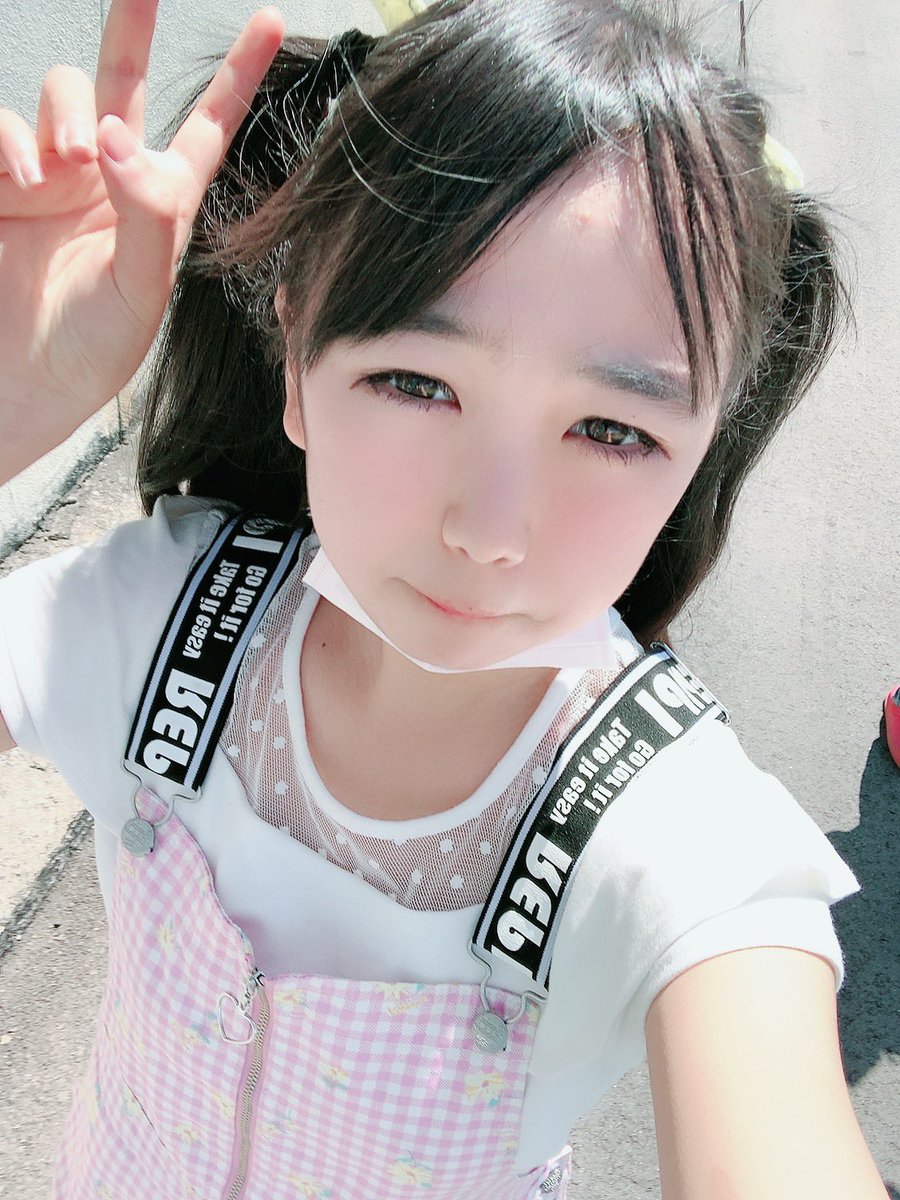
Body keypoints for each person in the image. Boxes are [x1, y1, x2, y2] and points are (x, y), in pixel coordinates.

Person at [0, 0, 890, 1196]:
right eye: (417, 382)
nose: (489, 531)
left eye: (612, 430)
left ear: (704, 447)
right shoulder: (160, 621)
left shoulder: (681, 829)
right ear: (297, 356)